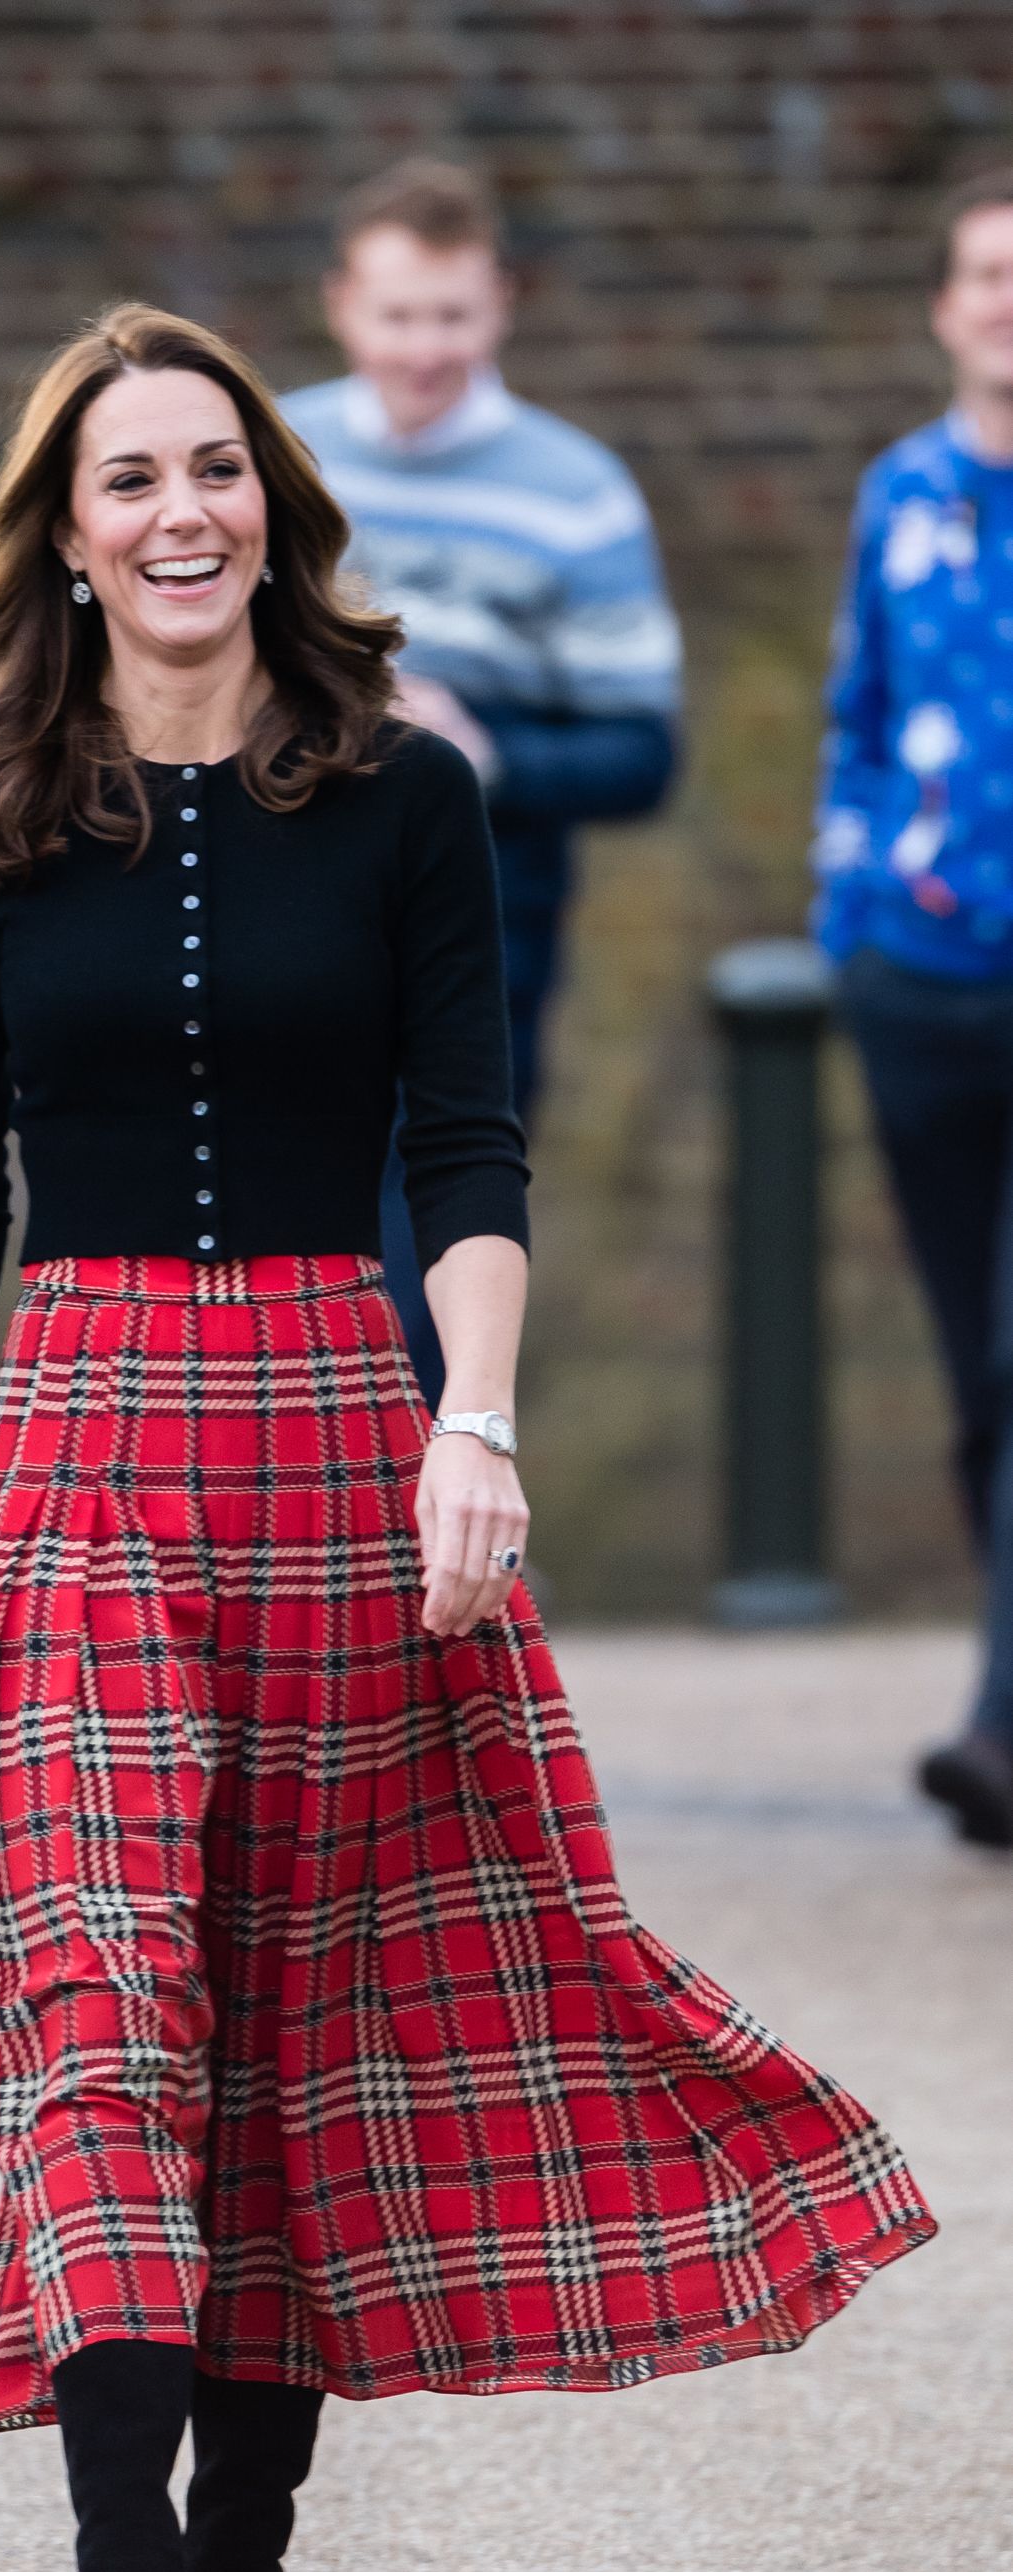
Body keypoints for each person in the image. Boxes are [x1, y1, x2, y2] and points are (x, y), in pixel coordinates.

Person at [0, 302, 931, 2572]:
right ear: (64, 530)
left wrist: (479, 1415)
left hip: (342, 1424)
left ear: (276, 504)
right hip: (84, 1439)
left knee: (286, 2035)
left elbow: (469, 1146)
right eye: (124, 482)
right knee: (102, 1986)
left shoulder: (406, 793)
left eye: (212, 472)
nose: (177, 517)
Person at [281, 158, 681, 1404]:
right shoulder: (268, 457)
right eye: (400, 315)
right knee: (286, 1224)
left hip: (488, 926)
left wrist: (485, 753)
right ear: (344, 304)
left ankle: (430, 1520)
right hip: (286, 897)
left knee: (438, 1231)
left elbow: (642, 753)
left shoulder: (578, 495)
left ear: (499, 305)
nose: (425, 347)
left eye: (452, 315)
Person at [817, 166, 1013, 1851]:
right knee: (974, 1374)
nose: (1003, 304)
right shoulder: (899, 495)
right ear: (943, 304)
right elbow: (856, 717)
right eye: (983, 275)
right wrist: (850, 913)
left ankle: (997, 1728)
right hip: (923, 986)